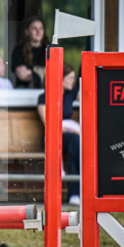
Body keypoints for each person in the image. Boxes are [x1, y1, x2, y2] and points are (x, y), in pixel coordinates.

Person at [37, 63, 80, 205]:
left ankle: (75, 194)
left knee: (75, 145)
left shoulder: (71, 93)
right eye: (70, 78)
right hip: (52, 137)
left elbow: (89, 96)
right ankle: (69, 194)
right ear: (60, 79)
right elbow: (47, 124)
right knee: (75, 140)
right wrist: (70, 129)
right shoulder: (44, 97)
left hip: (69, 138)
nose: (72, 82)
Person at [11, 16, 49, 88]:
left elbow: (53, 74)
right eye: (34, 28)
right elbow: (22, 75)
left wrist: (32, 73)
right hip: (24, 89)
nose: (38, 32)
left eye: (41, 28)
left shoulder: (48, 50)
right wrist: (42, 72)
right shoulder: (19, 50)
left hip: (44, 88)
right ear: (27, 32)